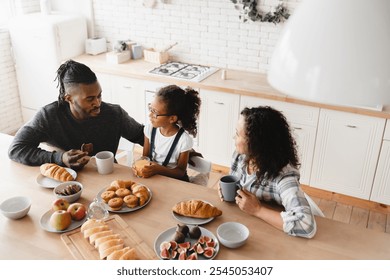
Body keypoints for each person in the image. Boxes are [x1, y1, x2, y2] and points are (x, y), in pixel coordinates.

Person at [8, 60, 144, 170]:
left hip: (107, 180)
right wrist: (60, 158)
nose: (97, 103)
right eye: (90, 99)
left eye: (99, 95)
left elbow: (143, 136)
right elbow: (16, 149)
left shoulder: (114, 114)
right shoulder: (49, 116)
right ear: (69, 98)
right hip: (65, 183)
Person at [218, 106, 317, 238]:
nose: (233, 137)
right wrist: (228, 190)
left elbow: (306, 225)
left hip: (272, 236)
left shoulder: (284, 176)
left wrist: (258, 210)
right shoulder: (239, 156)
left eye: (237, 134)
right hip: (241, 227)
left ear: (255, 142)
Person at [139, 85, 201, 181]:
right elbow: (145, 157)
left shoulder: (184, 140)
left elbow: (180, 172)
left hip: (174, 181)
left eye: (155, 112)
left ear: (172, 118)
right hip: (154, 178)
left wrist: (158, 169)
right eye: (150, 109)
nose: (150, 115)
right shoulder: (149, 129)